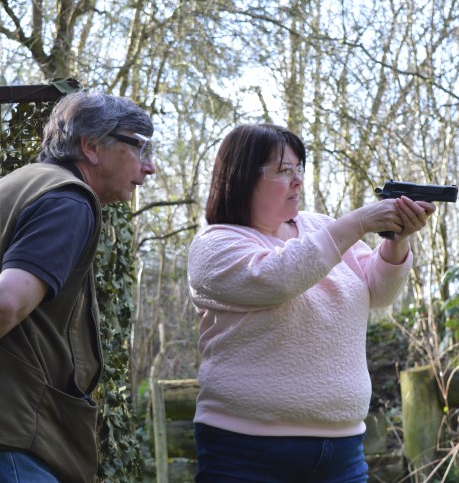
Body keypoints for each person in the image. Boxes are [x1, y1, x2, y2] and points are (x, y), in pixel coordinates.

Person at [187, 123, 436, 482]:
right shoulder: (215, 245)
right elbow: (279, 278)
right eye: (284, 171)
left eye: (299, 169)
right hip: (245, 452)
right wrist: (360, 220)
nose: (297, 181)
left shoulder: (321, 227)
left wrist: (395, 241)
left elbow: (379, 293)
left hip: (343, 452)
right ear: (241, 177)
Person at [0, 92, 156, 482]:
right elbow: (6, 303)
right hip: (0, 440)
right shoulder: (66, 200)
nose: (149, 167)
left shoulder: (9, 189)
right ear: (91, 147)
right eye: (140, 147)